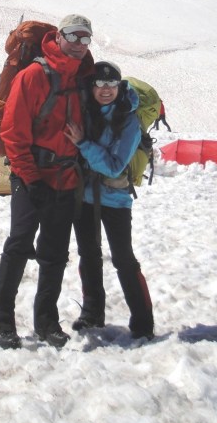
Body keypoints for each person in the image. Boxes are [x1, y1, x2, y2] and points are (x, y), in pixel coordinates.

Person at [0, 14, 95, 350]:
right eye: (73, 36)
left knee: (55, 253)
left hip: (65, 177)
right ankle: (2, 322)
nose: (79, 44)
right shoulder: (34, 75)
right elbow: (13, 133)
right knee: (19, 246)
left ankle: (47, 322)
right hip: (31, 176)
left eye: (85, 38)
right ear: (58, 36)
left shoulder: (82, 78)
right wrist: (32, 180)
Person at [65, 61, 155, 341]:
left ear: (119, 86)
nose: (106, 90)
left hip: (115, 200)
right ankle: (92, 313)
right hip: (85, 196)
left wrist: (83, 144)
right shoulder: (85, 112)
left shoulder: (129, 121)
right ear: (92, 87)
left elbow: (115, 166)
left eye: (112, 85)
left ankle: (143, 322)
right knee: (88, 255)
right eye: (100, 84)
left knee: (123, 259)